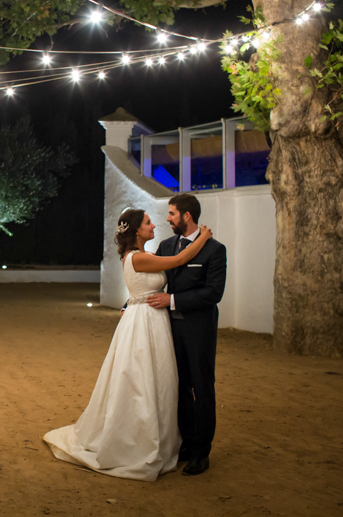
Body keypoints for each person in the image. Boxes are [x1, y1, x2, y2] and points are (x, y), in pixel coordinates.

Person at [43, 208, 212, 481]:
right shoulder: (139, 258)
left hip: (151, 319)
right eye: (148, 222)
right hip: (144, 322)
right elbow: (181, 258)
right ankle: (135, 440)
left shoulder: (140, 255)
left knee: (159, 379)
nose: (154, 224)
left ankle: (165, 437)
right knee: (140, 378)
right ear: (136, 231)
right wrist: (203, 237)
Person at [147, 193, 227, 476]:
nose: (168, 219)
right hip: (169, 330)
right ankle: (187, 443)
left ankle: (202, 453)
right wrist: (129, 305)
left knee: (202, 388)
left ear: (187, 216)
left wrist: (172, 301)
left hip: (199, 330)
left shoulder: (215, 250)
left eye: (171, 214)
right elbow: (151, 280)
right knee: (178, 387)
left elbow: (213, 293)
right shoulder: (166, 246)